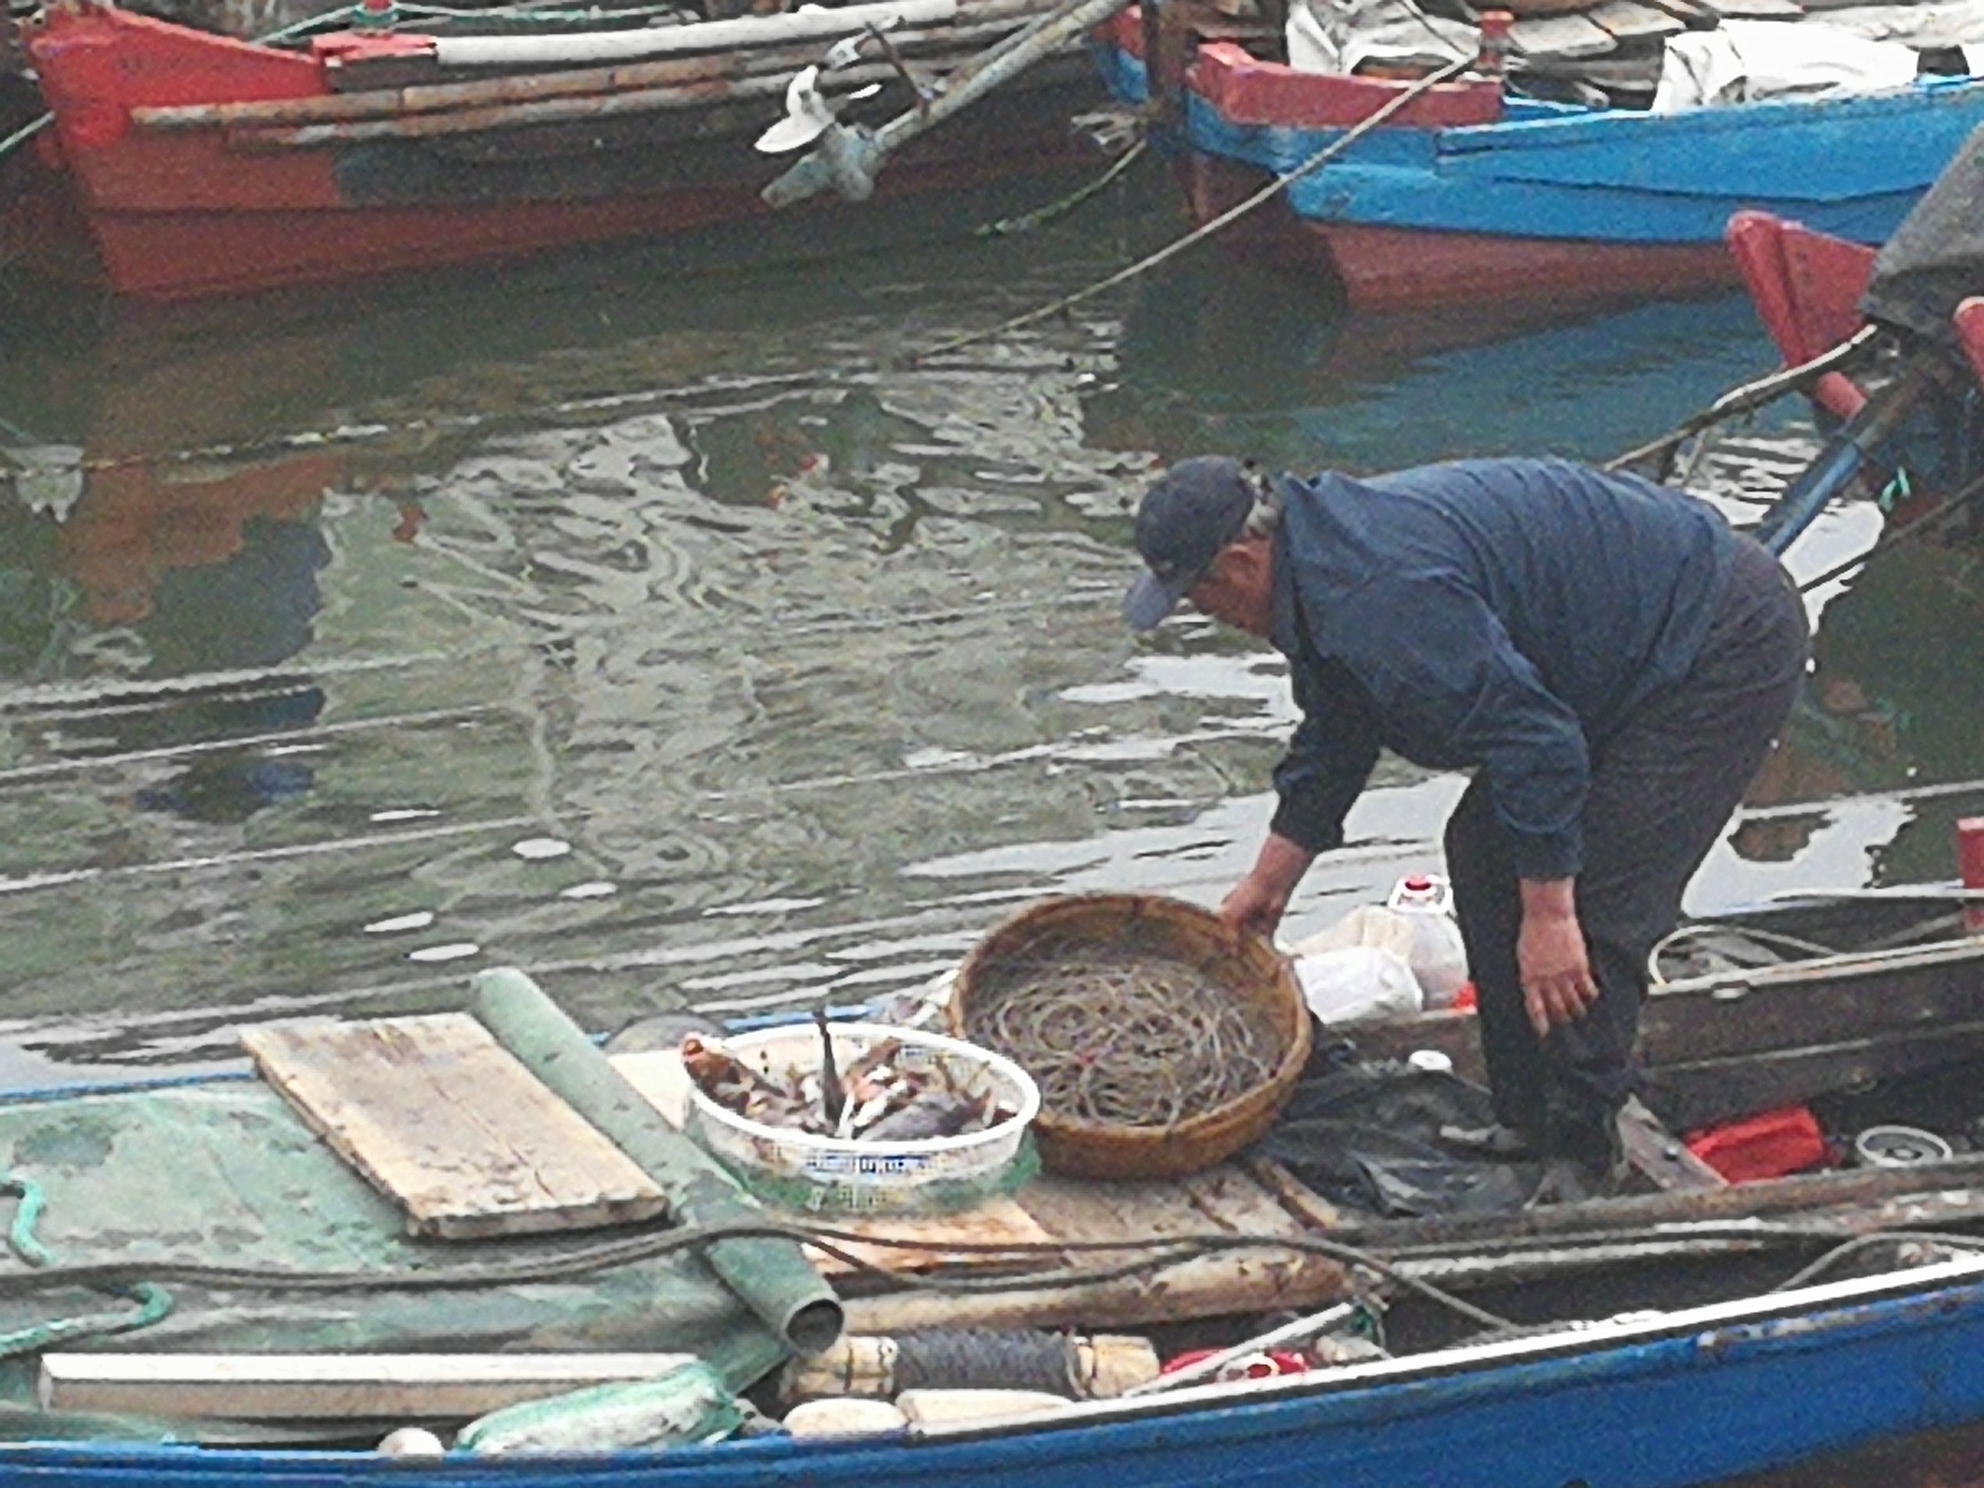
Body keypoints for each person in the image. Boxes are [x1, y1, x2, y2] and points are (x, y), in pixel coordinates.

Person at [1122, 455, 1810, 1198]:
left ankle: (1582, 1154)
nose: (1207, 615)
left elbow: (1536, 742)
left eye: (1199, 595)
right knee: (1482, 855)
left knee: (1597, 905)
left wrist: (1549, 915)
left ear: (1239, 561)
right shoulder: (1316, 573)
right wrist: (1268, 885)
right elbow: (1338, 733)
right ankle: (1524, 1123)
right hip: (1605, 653)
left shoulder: (1377, 592)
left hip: (1716, 635)